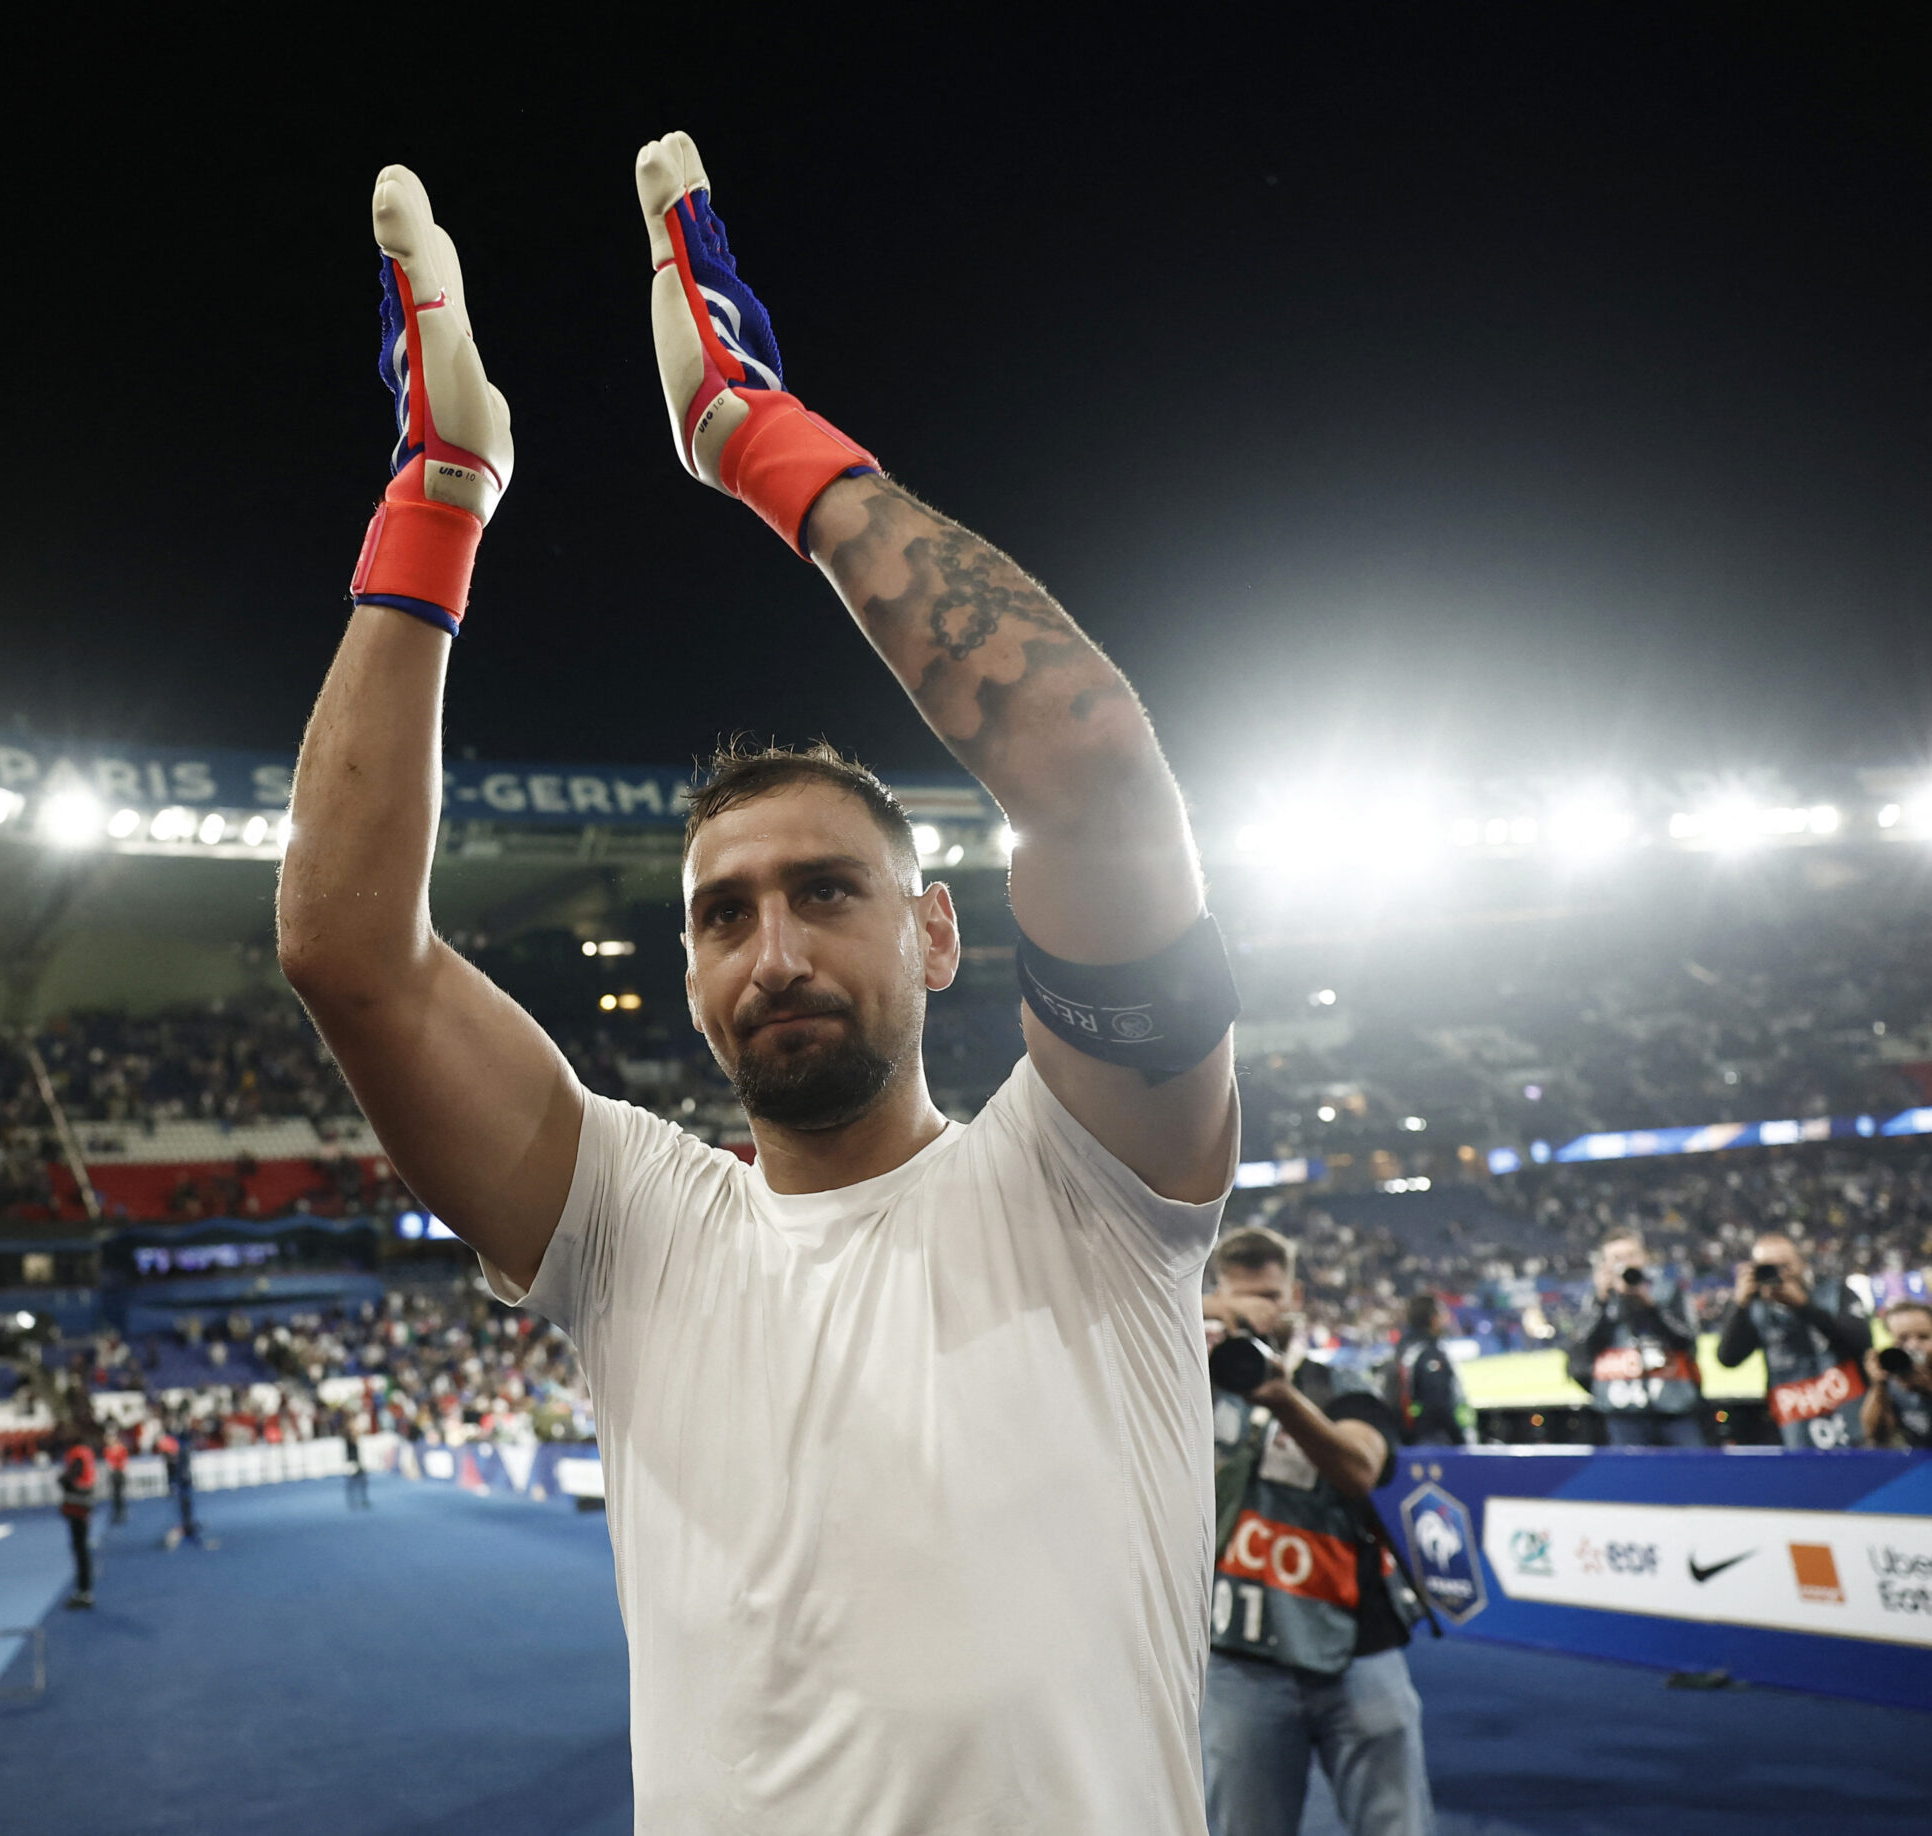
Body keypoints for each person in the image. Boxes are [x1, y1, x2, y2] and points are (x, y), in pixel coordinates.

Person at [278, 139, 1240, 1832]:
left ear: (936, 933)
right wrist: (438, 490)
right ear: (689, 974)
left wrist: (753, 433)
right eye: (724, 916)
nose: (775, 950)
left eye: (826, 893)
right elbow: (349, 949)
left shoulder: (1094, 1177)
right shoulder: (635, 1224)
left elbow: (1088, 764)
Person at [1202, 1227, 1431, 1836]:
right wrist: (1212, 1316)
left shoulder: (1340, 1388)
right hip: (1238, 1656)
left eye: (1271, 1297)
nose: (1259, 1314)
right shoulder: (1189, 1383)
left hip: (1358, 1648)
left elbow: (1359, 1470)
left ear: (1295, 1295)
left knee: (1396, 1825)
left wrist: (1280, 1397)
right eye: (1241, 1298)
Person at [1714, 1232, 1875, 1448]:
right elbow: (1728, 1358)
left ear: (1801, 1264)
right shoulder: (1756, 1309)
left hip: (1851, 1422)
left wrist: (1804, 1306)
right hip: (1796, 1431)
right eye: (1767, 1267)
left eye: (1784, 1266)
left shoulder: (1834, 1292)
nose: (1778, 1275)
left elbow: (1863, 1342)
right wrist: (1740, 1304)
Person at [1566, 1229, 1706, 1447]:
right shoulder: (1596, 1300)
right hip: (1621, 1410)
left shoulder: (1668, 1292)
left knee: (1691, 1473)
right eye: (1617, 1258)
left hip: (1674, 1405)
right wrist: (1602, 1301)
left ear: (1644, 1257)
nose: (1626, 1263)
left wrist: (1650, 1306)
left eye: (1631, 1255)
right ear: (1605, 1264)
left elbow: (1687, 1340)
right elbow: (1582, 1350)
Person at [1386, 1294, 1475, 1446]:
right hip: (1433, 1439)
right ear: (1434, 1319)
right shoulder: (1430, 1353)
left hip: (1405, 1438)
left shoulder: (1401, 1350)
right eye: (1442, 1313)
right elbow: (1438, 1404)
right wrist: (1459, 1439)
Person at [1862, 1300, 1932, 1450]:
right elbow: (1876, 1435)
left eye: (1923, 1337)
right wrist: (1879, 1385)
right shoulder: (1894, 1380)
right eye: (1903, 1338)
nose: (1913, 1345)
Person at [56, 1422, 97, 1609]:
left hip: (77, 1506)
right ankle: (84, 1590)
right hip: (84, 1504)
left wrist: (63, 1480)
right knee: (81, 1549)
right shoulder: (86, 1452)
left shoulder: (77, 1454)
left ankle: (84, 1591)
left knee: (80, 1549)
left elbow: (72, 1478)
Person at [159, 1418, 200, 1548]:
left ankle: (187, 1527)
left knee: (185, 1504)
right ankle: (185, 1527)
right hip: (182, 1482)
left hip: (183, 1482)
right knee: (183, 1505)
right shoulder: (178, 1451)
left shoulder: (180, 1451)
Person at [103, 1422, 131, 1525]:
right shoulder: (107, 1449)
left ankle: (121, 1512)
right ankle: (116, 1512)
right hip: (113, 1473)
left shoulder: (120, 1448)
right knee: (115, 1494)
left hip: (119, 1472)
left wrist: (121, 1469)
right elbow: (108, 1462)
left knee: (120, 1494)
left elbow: (124, 1460)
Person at [342, 1418, 370, 1509]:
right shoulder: (349, 1438)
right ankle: (354, 1500)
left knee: (361, 1481)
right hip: (352, 1463)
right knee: (354, 1483)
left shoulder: (352, 1438)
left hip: (355, 1462)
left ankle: (360, 1499)